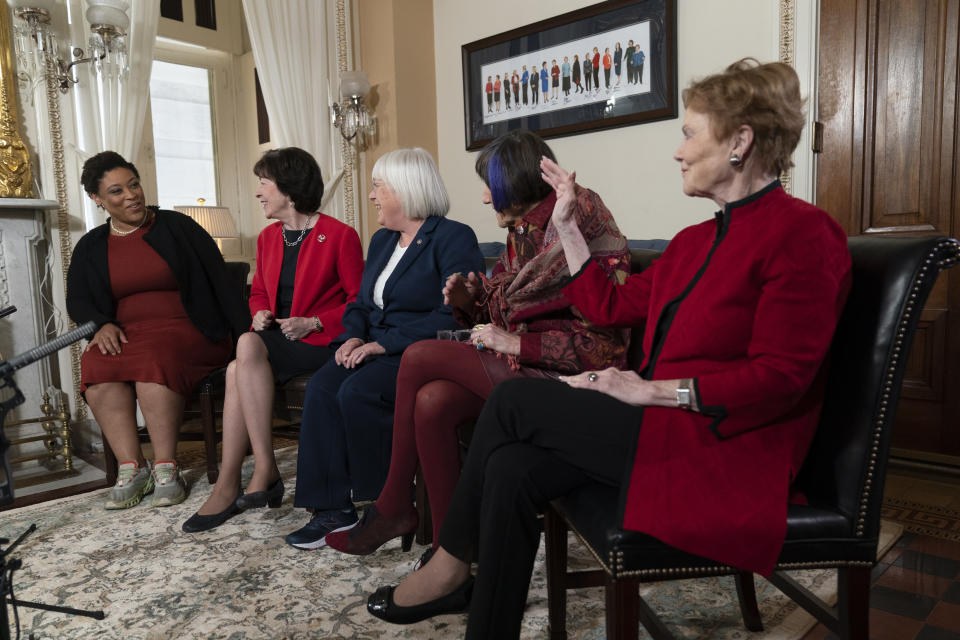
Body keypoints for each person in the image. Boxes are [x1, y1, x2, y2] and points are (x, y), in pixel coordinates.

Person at [366, 59, 853, 639]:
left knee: (514, 403)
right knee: (512, 465)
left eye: (689, 132)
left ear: (740, 142)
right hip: (666, 427)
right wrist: (568, 223)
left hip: (726, 450)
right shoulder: (697, 240)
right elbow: (610, 307)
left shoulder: (804, 234)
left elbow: (781, 377)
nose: (678, 150)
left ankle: (448, 566)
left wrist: (650, 390)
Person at [325, 130, 630, 559]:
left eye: (490, 186)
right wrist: (470, 301)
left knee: (419, 355)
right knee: (432, 401)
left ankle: (393, 506)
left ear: (515, 183)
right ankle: (453, 546)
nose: (486, 199)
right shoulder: (523, 228)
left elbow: (601, 346)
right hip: (528, 366)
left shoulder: (574, 219)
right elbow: (504, 305)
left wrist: (515, 343)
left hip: (578, 379)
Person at [284, 148, 485, 550]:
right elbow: (360, 303)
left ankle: (387, 506)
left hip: (415, 352)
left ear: (406, 190)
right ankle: (331, 508)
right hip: (373, 344)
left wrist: (382, 344)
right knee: (323, 387)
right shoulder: (381, 240)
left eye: (378, 186)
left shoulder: (452, 237)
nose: (372, 196)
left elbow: (452, 316)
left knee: (357, 391)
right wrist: (354, 337)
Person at [182, 147, 364, 533]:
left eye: (264, 183)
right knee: (237, 365)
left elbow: (358, 303)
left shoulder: (339, 236)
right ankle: (238, 479)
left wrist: (313, 322)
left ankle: (254, 473)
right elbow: (260, 292)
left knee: (245, 348)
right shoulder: (268, 238)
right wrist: (260, 312)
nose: (259, 191)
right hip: (276, 341)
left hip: (321, 344)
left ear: (289, 188)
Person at [67, 151, 250, 510]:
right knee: (96, 363)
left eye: (134, 184)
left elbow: (221, 284)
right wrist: (101, 325)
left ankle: (167, 466)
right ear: (97, 199)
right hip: (126, 332)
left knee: (155, 357)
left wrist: (246, 338)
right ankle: (132, 467)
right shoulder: (90, 246)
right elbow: (78, 299)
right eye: (117, 191)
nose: (131, 195)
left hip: (192, 329)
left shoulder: (179, 227)